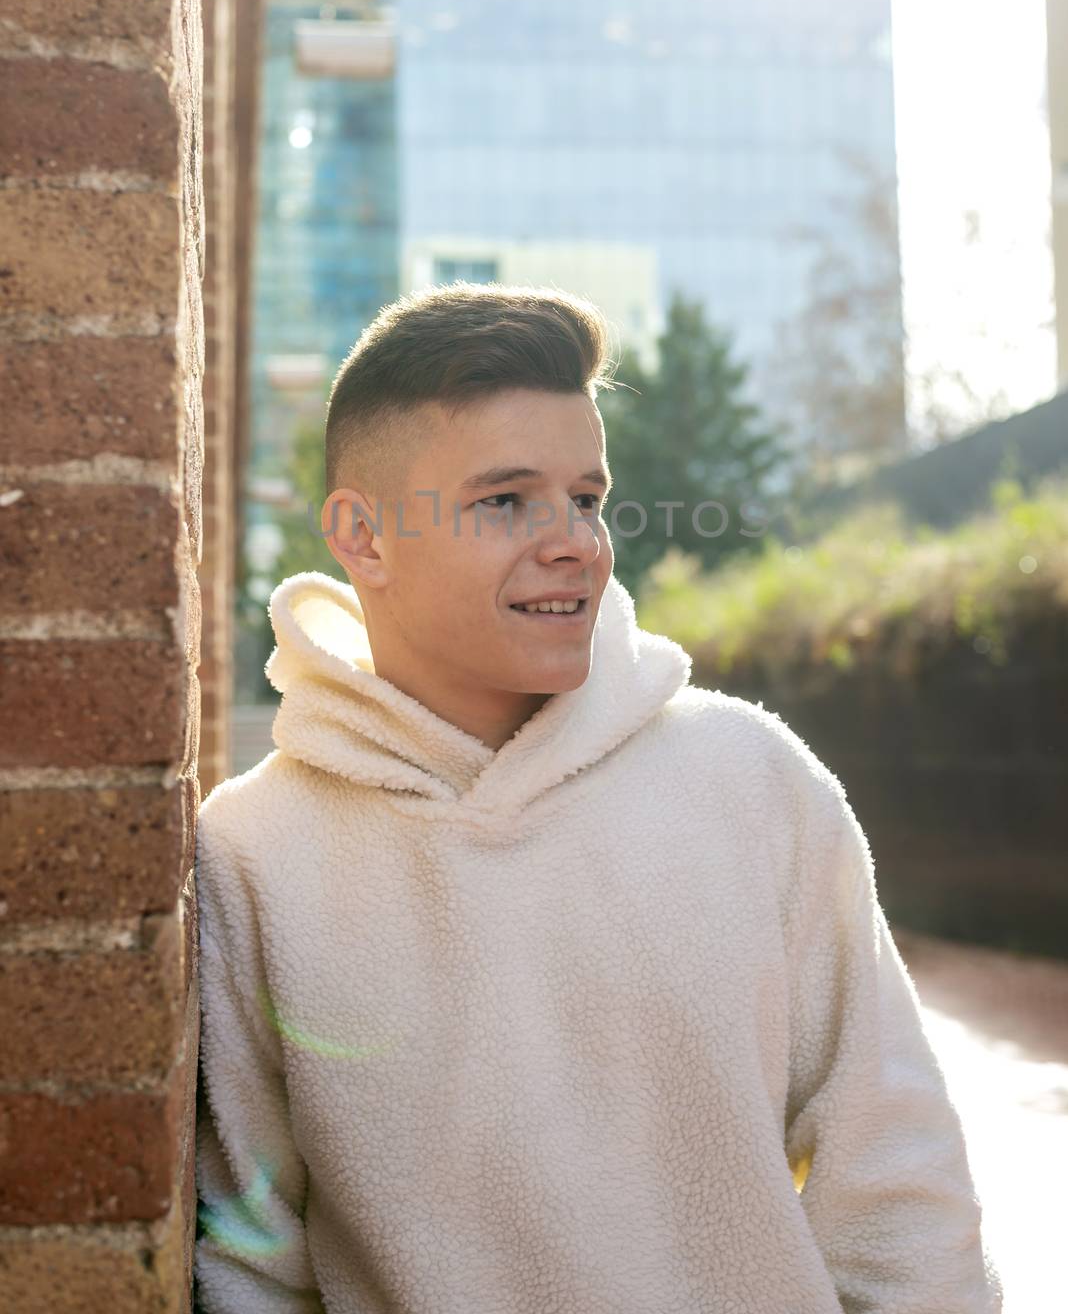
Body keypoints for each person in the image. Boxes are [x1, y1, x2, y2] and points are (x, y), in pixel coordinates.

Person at [195, 282, 1003, 1313]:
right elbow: (249, 1262)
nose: (574, 541)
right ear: (362, 537)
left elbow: (903, 1191)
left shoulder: (751, 781)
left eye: (586, 496)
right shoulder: (253, 855)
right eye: (504, 500)